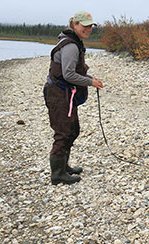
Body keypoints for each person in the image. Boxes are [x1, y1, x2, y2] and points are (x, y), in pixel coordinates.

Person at [43, 11, 104, 185]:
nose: (88, 29)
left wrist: (90, 79)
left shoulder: (74, 42)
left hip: (65, 93)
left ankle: (64, 166)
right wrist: (90, 81)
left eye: (90, 25)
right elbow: (68, 74)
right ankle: (57, 175)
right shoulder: (71, 45)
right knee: (63, 133)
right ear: (75, 25)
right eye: (84, 25)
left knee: (73, 129)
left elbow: (73, 73)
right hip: (58, 94)